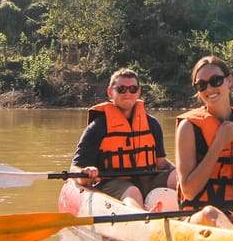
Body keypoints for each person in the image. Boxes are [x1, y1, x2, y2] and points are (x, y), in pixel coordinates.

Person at [175, 55, 233, 227]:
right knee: (211, 214)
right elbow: (189, 191)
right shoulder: (188, 127)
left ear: (229, 81)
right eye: (201, 85)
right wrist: (218, 144)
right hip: (200, 217)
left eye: (216, 81)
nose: (209, 88)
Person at [71, 68, 177, 208]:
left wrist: (179, 173)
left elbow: (161, 164)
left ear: (138, 91)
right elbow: (75, 168)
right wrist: (84, 173)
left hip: (148, 178)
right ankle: (141, 219)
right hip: (114, 182)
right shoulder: (97, 127)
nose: (127, 93)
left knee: (178, 178)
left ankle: (195, 214)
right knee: (133, 192)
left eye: (132, 89)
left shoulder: (152, 124)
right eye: (121, 89)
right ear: (111, 92)